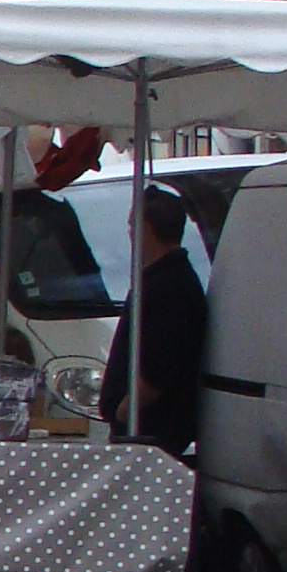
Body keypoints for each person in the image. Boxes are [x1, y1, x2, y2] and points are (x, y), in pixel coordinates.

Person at [101, 186, 207, 458]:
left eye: (131, 226)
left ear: (146, 228)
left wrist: (126, 410)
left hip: (152, 432)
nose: (129, 234)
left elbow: (160, 367)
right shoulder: (163, 279)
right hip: (146, 428)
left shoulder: (172, 286)